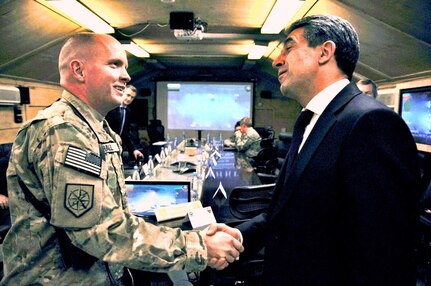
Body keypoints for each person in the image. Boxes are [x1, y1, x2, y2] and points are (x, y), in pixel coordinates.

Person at [1, 32, 243, 285]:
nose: (127, 76)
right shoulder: (62, 130)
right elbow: (97, 230)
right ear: (79, 70)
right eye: (114, 64)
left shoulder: (95, 128)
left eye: (125, 66)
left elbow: (114, 213)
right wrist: (198, 246)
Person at [212, 14, 421, 285]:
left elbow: (384, 252)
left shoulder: (371, 122)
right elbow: (286, 214)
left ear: (325, 52)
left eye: (289, 48)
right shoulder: (310, 120)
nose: (277, 61)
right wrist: (238, 236)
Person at [105, 84, 146, 161]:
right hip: (106, 146)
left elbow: (125, 134)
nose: (129, 99)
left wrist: (134, 149)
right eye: (128, 95)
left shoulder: (128, 111)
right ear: (122, 92)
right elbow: (102, 127)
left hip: (119, 148)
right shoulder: (110, 107)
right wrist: (114, 135)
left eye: (132, 97)